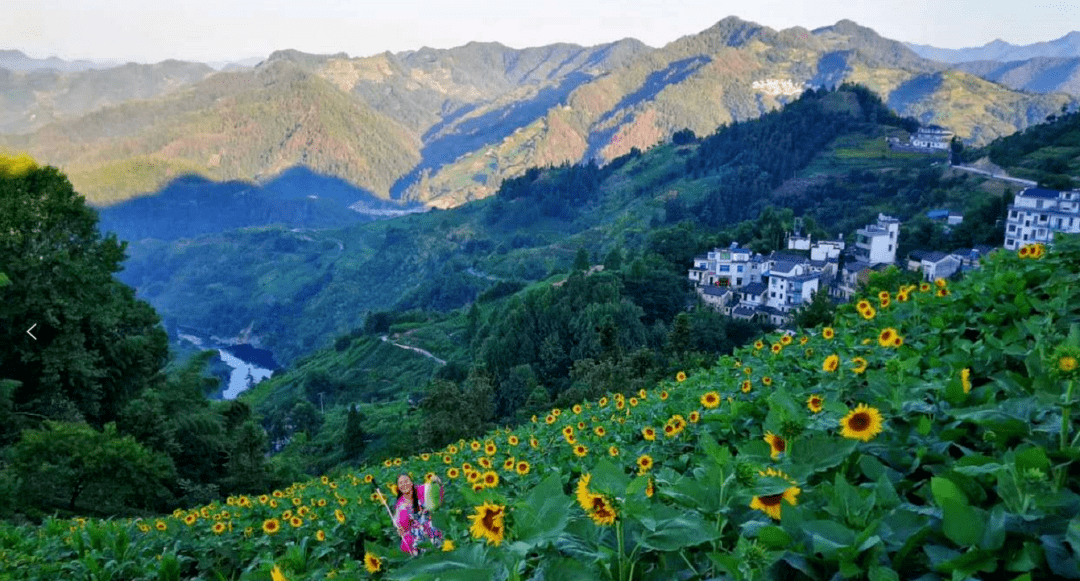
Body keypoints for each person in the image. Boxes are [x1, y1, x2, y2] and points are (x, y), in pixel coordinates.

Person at [392, 473, 444, 555]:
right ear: (398, 487)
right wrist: (400, 529)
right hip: (417, 537)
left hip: (432, 526)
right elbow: (401, 524)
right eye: (401, 483)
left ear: (411, 482)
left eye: (406, 481)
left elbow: (437, 496)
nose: (404, 485)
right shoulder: (400, 504)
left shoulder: (423, 489)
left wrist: (438, 483)